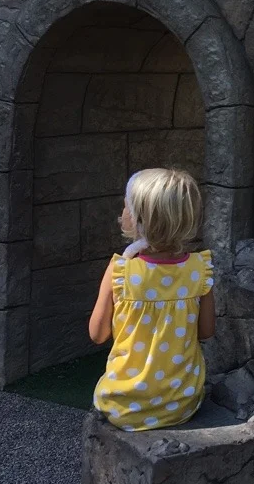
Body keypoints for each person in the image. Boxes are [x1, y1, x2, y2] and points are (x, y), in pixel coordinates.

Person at [88, 167, 216, 432]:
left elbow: (97, 334)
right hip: (182, 403)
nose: (122, 212)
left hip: (122, 406)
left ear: (139, 219)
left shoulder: (120, 270)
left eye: (126, 206)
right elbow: (206, 331)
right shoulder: (199, 270)